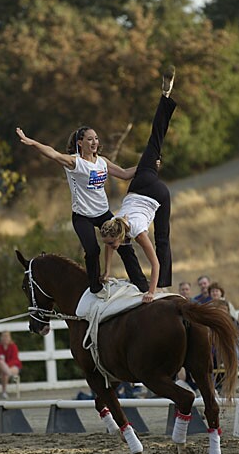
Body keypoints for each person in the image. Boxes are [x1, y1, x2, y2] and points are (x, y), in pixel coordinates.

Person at [16, 119, 149, 299]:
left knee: (124, 243)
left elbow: (125, 174)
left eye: (96, 139)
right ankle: (95, 287)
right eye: (89, 139)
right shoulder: (75, 163)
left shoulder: (102, 162)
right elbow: (53, 154)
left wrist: (147, 165)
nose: (94, 142)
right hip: (83, 216)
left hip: (103, 213)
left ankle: (141, 284)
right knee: (93, 250)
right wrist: (32, 142)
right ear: (80, 143)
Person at [100, 66, 176, 304]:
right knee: (155, 139)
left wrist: (151, 293)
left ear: (119, 237)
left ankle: (162, 286)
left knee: (162, 238)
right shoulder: (113, 226)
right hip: (142, 179)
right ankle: (165, 97)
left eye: (111, 244)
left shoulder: (137, 232)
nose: (110, 247)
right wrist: (107, 272)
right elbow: (109, 247)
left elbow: (153, 263)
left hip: (157, 195)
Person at [0, 331, 22, 399]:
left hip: (12, 367)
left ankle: (4, 392)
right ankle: (10, 375)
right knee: (1, 362)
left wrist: (6, 366)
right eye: (3, 336)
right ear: (1, 338)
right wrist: (1, 364)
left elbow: (15, 359)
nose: (5, 338)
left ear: (10, 338)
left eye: (7, 336)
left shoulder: (13, 347)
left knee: (5, 373)